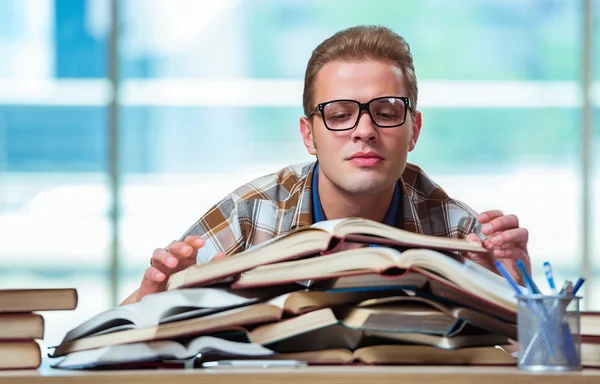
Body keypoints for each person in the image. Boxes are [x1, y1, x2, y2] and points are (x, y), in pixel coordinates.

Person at [121, 25, 530, 306]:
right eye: (339, 114)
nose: (365, 131)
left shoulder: (461, 234)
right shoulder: (252, 213)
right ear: (308, 134)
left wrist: (524, 297)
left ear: (413, 130)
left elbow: (545, 360)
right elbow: (108, 337)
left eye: (387, 111)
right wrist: (150, 302)